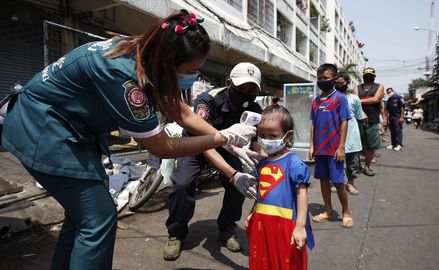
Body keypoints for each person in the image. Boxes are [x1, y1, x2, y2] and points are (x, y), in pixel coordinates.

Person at [0, 10, 258, 270]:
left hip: (70, 130)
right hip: (43, 130)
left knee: (82, 219)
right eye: (191, 71)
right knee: (97, 220)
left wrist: (225, 141)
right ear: (169, 62)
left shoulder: (147, 52)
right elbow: (163, 147)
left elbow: (180, 111)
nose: (193, 76)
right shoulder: (123, 79)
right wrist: (220, 136)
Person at [163, 62, 263, 260]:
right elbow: (206, 145)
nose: (247, 93)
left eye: (252, 89)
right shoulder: (207, 101)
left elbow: (255, 140)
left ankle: (227, 227)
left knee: (240, 184)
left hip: (229, 148)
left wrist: (261, 164)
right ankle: (176, 233)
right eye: (242, 88)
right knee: (183, 183)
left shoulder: (254, 109)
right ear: (229, 83)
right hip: (197, 144)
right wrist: (231, 174)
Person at [245, 103, 314, 269]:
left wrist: (300, 226)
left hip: (285, 225)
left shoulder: (293, 162)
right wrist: (252, 212)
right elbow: (262, 192)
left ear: (288, 136)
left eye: (273, 135)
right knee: (263, 261)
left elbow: (301, 194)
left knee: (285, 263)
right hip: (262, 222)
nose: (266, 140)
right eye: (262, 135)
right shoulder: (262, 163)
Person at [309, 63, 353, 228]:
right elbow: (313, 124)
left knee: (338, 182)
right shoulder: (315, 101)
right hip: (320, 150)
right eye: (319, 78)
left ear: (334, 79)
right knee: (323, 181)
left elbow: (344, 122)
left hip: (335, 150)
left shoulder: (340, 98)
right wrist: (311, 146)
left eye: (325, 78)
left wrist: (341, 147)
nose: (322, 81)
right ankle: (328, 211)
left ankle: (346, 212)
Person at [336, 72, 365, 195]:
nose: (339, 85)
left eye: (341, 83)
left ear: (347, 83)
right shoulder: (332, 98)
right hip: (336, 137)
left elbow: (359, 116)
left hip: (352, 137)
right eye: (336, 83)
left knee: (352, 164)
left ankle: (350, 183)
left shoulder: (354, 98)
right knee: (336, 163)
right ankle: (336, 182)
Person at [353, 67, 385, 177]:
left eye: (370, 74)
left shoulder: (379, 87)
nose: (368, 76)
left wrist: (359, 100)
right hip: (359, 119)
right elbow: (354, 102)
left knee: (370, 146)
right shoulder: (357, 87)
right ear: (363, 76)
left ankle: (367, 166)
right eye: (366, 74)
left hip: (373, 121)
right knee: (358, 144)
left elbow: (376, 99)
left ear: (374, 76)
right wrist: (362, 110)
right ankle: (357, 166)